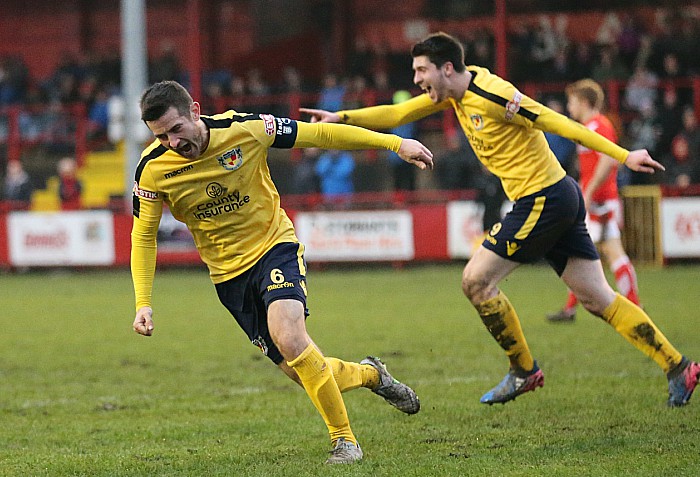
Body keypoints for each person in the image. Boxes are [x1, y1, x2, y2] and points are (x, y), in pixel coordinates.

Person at [300, 32, 699, 408]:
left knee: (476, 280)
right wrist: (342, 118)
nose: (416, 79)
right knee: (597, 297)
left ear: (447, 69)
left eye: (422, 70)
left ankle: (524, 370)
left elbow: (554, 121)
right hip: (558, 196)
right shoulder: (452, 97)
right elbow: (398, 112)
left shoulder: (493, 94)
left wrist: (623, 154)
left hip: (544, 199)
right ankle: (678, 367)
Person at [131, 80, 432, 464]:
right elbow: (143, 237)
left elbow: (319, 133)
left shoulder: (247, 128)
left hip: (274, 248)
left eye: (176, 129)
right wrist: (143, 302)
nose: (173, 142)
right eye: (162, 136)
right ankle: (372, 376)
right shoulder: (152, 169)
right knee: (300, 370)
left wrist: (393, 143)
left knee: (290, 336)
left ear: (194, 110)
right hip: (228, 277)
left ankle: (345, 441)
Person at [546, 79, 640, 322]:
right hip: (596, 200)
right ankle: (571, 309)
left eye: (572, 101)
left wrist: (587, 194)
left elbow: (609, 160)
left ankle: (634, 307)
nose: (569, 107)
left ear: (584, 101)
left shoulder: (599, 125)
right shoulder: (590, 126)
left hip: (601, 202)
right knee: (581, 253)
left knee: (609, 252)